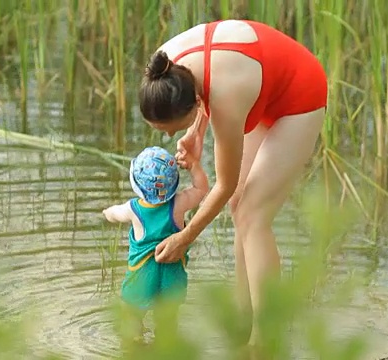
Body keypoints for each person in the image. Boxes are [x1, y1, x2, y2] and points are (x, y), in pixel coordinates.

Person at [136, 19, 328, 346]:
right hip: (260, 82)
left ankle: (266, 337)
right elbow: (199, 89)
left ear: (195, 104)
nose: (169, 136)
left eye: (170, 128)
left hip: (299, 94)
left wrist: (185, 237)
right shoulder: (164, 68)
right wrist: (195, 132)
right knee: (242, 206)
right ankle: (243, 316)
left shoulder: (226, 97)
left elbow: (224, 185)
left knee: (253, 214)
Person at [102, 146, 208, 343]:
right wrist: (193, 166)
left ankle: (136, 344)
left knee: (131, 314)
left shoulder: (133, 209)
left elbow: (113, 214)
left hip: (142, 275)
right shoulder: (179, 204)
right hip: (172, 276)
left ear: (138, 185)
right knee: (167, 321)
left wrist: (107, 212)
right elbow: (201, 190)